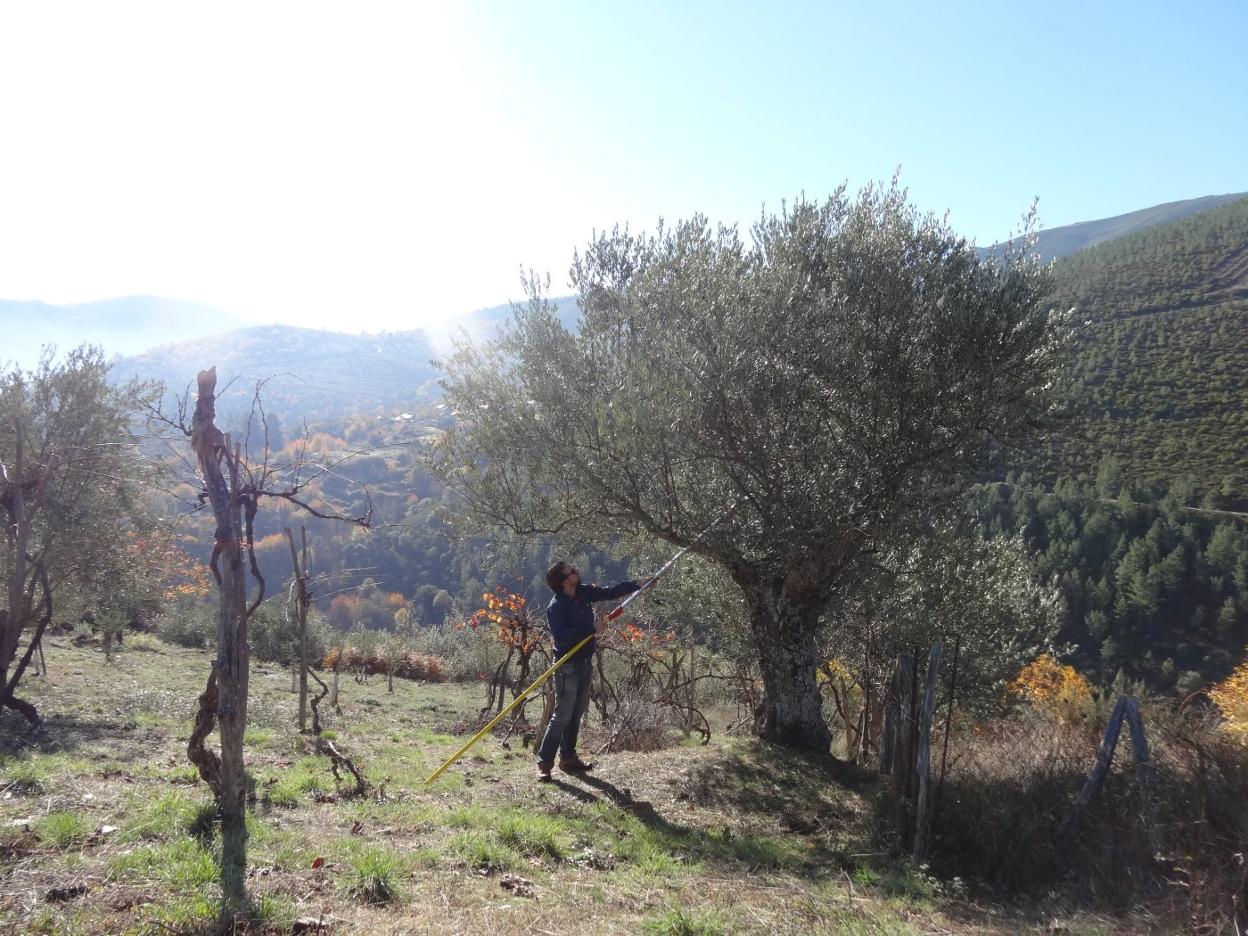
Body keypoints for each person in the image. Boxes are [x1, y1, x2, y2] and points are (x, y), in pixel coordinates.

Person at [536, 562, 649, 781]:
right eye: (570, 571)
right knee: (562, 715)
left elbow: (609, 592)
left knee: (576, 713)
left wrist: (637, 584)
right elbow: (561, 637)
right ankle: (544, 763)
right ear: (564, 581)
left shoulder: (582, 592)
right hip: (566, 665)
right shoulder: (556, 606)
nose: (575, 570)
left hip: (584, 661)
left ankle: (568, 757)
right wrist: (591, 628)